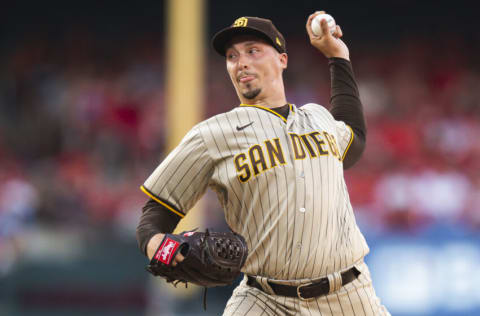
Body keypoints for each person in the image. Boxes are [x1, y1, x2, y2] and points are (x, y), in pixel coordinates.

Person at [136, 11, 390, 315]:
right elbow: (153, 219)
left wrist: (338, 56)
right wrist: (164, 251)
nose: (240, 62)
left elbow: (355, 141)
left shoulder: (318, 117)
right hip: (264, 299)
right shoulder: (212, 135)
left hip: (349, 295)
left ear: (282, 59)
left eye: (253, 51)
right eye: (232, 56)